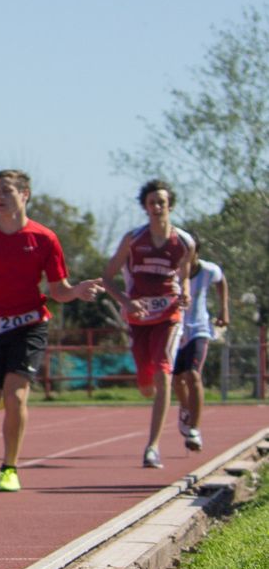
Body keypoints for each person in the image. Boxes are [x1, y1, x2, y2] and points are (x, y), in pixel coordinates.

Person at [0, 170, 102, 492]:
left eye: (6, 191)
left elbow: (58, 289)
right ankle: (5, 397)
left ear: (25, 194)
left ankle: (9, 468)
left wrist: (76, 292)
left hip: (29, 324)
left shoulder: (44, 239)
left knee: (16, 395)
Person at [101, 179, 195, 468]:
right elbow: (107, 278)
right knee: (146, 382)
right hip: (139, 317)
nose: (157, 207)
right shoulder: (133, 240)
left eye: (162, 203)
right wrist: (127, 302)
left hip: (168, 316)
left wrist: (186, 293)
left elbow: (185, 275)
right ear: (145, 207)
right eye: (152, 203)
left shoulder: (184, 242)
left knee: (163, 370)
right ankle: (162, 397)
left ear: (170, 206)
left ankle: (152, 447)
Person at [172, 249, 228, 452]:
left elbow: (221, 280)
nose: (185, 258)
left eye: (189, 253)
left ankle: (194, 429)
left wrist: (224, 310)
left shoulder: (207, 270)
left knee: (193, 374)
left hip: (199, 329)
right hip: (174, 330)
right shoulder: (171, 272)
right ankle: (186, 407)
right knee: (176, 378)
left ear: (196, 254)